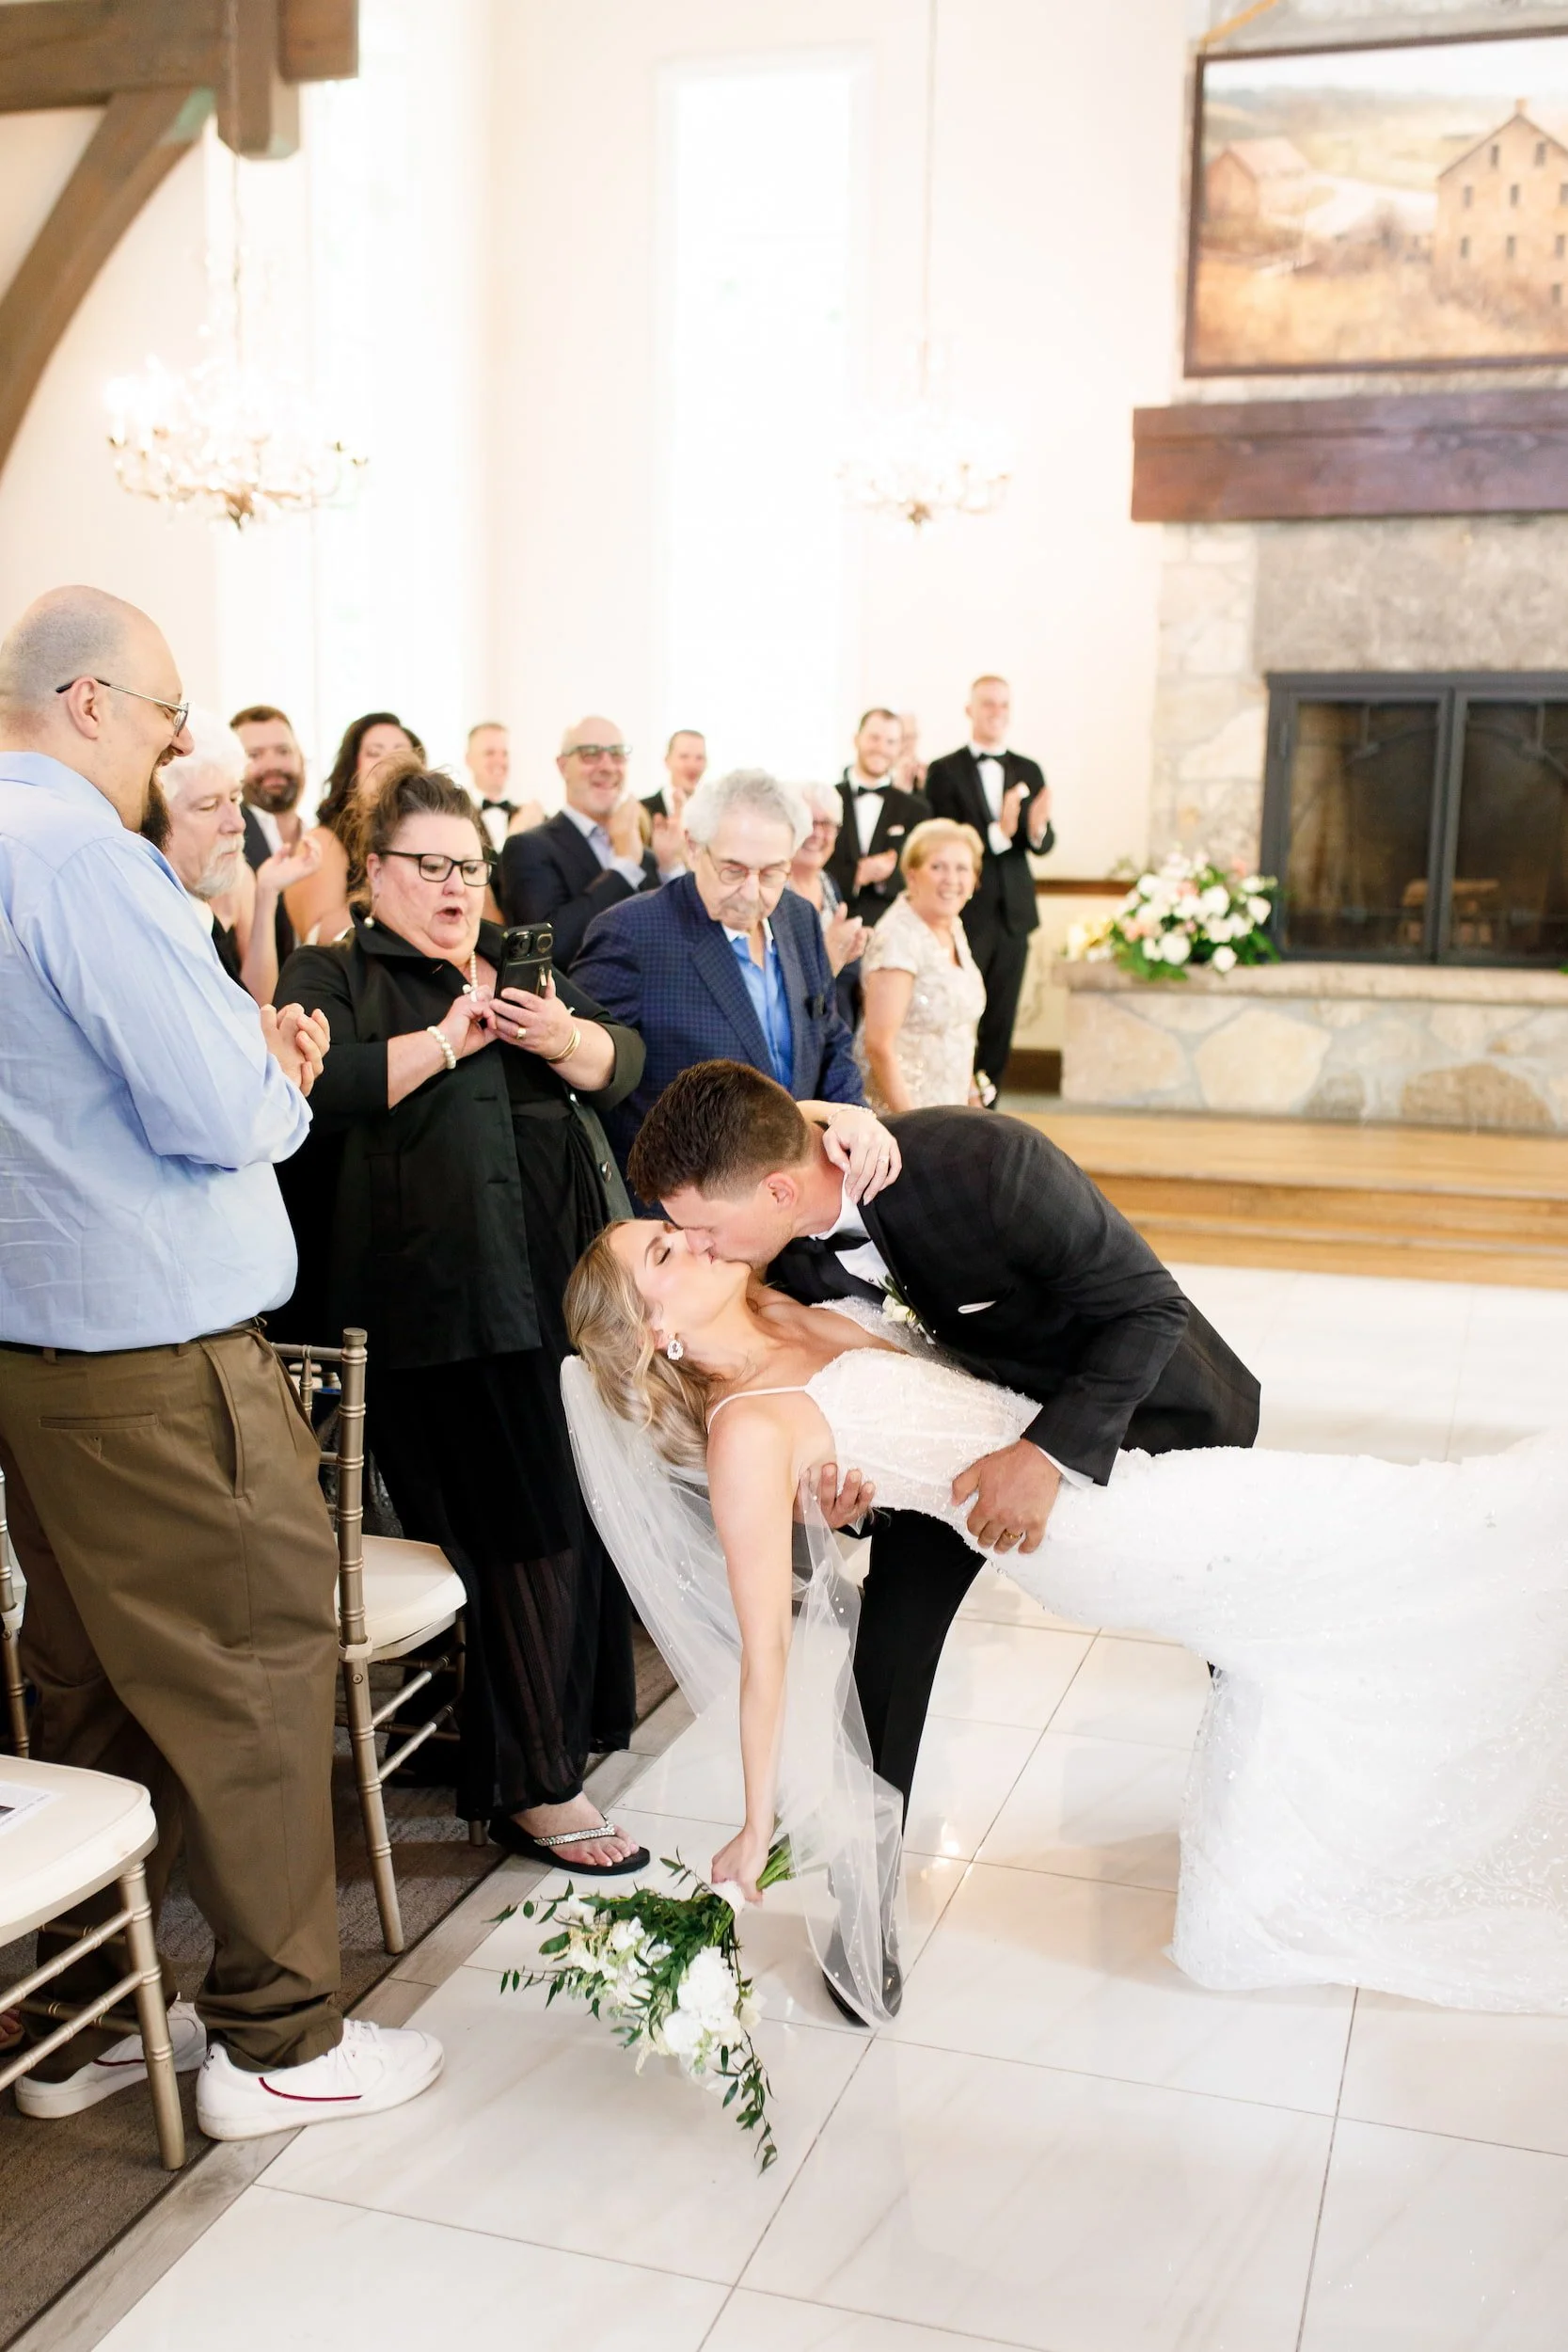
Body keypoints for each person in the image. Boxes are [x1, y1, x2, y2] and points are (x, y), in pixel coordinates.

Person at [569, 1072, 1568, 2027]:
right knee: (891, 1654)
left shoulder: (959, 1176)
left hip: (1116, 1426)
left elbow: (1146, 1309)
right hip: (1007, 1503)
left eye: (688, 1227)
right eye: (670, 1241)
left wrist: (1044, 1452)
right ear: (653, 1327)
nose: (691, 1239)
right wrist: (754, 1810)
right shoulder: (764, 1291)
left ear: (781, 1188)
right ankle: (861, 1911)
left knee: (1300, 1593)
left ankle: (1310, 1832)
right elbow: (773, 1625)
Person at [0, 584, 440, 2137]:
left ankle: (71, 2022)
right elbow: (223, 1111)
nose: (182, 741)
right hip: (159, 1363)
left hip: (37, 1362)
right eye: (170, 711)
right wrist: (276, 1071)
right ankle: (278, 2041)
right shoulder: (76, 861)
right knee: (258, 1673)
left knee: (96, 1688)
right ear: (90, 703)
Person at [277, 765, 649, 1871]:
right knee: (525, 1530)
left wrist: (553, 1039)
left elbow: (619, 1059)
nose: (452, 886)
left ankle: (518, 1739)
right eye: (428, 866)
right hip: (426, 1308)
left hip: (545, 1299)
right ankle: (533, 1786)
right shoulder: (337, 969)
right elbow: (321, 1085)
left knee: (551, 1521)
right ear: (375, 871)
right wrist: (451, 1037)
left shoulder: (515, 964)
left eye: (468, 866)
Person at [571, 769, 868, 1174]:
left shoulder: (798, 916)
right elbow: (596, 1087)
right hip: (686, 1206)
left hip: (797, 1192)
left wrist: (854, 1118)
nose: (752, 892)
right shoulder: (631, 933)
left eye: (771, 873)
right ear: (694, 848)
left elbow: (829, 1034)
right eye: (733, 870)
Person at [925, 675, 1053, 1089]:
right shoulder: (944, 772)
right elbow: (941, 839)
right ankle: (956, 1100)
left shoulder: (1028, 769)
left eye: (1003, 705)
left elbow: (1044, 842)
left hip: (1015, 915)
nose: (996, 712)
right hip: (965, 912)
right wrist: (998, 833)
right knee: (962, 1012)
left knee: (1002, 1017)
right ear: (970, 710)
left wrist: (1035, 830)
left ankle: (989, 1101)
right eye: (987, 704)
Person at [497, 716, 684, 963]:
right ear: (563, 766)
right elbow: (550, 949)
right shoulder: (528, 848)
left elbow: (680, 938)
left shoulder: (645, 856)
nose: (607, 766)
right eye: (590, 754)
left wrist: (671, 868)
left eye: (616, 754)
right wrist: (624, 868)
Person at [164, 710, 321, 1004]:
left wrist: (266, 894)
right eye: (209, 806)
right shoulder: (143, 887)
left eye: (235, 799)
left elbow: (260, 1005)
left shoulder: (239, 874)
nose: (238, 823)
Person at [857, 818, 988, 1113]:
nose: (951, 879)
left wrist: (973, 1099)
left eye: (962, 868)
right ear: (912, 875)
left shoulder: (952, 926)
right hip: (904, 1112)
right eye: (938, 866)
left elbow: (959, 1027)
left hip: (951, 1105)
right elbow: (878, 1046)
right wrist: (914, 1126)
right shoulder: (898, 937)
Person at [287, 709, 423, 947]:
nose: (388, 762)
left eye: (400, 752)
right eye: (374, 753)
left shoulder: (436, 836)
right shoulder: (324, 841)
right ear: (353, 771)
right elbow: (319, 938)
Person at [827, 707, 931, 929]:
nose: (881, 748)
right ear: (857, 740)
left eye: (890, 742)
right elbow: (814, 867)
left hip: (892, 929)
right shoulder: (828, 799)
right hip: (831, 923)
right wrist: (856, 875)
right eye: (874, 738)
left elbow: (921, 874)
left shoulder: (917, 809)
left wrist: (886, 877)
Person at [232, 700, 307, 967]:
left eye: (283, 751)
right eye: (255, 755)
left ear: (300, 757)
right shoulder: (230, 838)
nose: (272, 764)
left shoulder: (325, 836)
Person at [465, 720, 545, 854]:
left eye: (504, 754)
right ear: (469, 760)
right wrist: (515, 835)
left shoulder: (531, 817)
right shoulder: (458, 814)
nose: (500, 761)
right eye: (489, 753)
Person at [641, 726, 707, 823]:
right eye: (684, 757)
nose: (692, 765)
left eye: (699, 758)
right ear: (667, 761)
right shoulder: (643, 810)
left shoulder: (713, 813)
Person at [894, 710, 927, 796]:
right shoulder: (881, 772)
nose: (908, 743)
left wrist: (924, 787)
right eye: (904, 737)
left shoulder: (925, 773)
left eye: (912, 737)